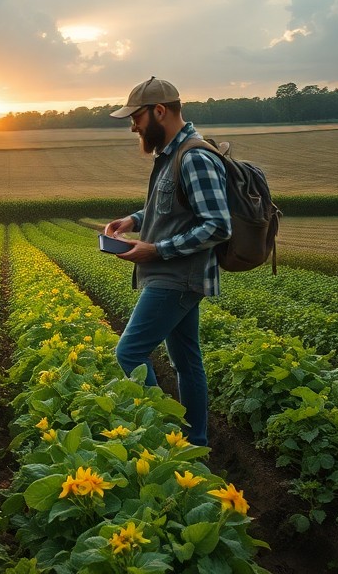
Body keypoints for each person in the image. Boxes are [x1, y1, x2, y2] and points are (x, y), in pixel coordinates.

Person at [103, 77, 230, 447]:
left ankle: (162, 437)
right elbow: (173, 206)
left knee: (129, 353)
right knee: (186, 361)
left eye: (136, 117)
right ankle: (196, 442)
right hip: (176, 275)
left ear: (159, 111)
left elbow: (218, 226)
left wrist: (155, 250)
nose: (133, 126)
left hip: (176, 276)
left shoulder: (194, 157)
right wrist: (133, 221)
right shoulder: (173, 154)